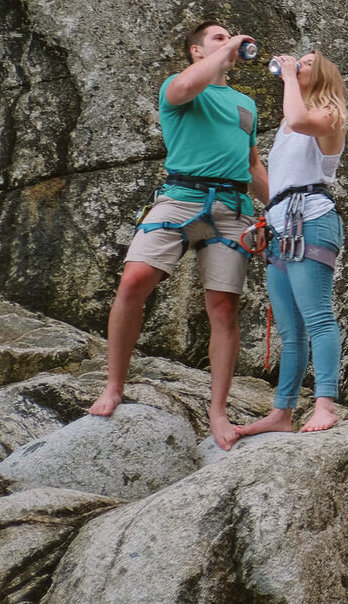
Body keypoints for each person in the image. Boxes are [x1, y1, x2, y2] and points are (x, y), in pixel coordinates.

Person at [88, 23, 268, 451]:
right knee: (132, 282)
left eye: (231, 38)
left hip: (232, 206)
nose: (229, 43)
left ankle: (217, 410)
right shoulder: (180, 84)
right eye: (218, 38)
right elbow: (187, 86)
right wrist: (224, 55)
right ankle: (114, 385)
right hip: (180, 196)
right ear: (195, 50)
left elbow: (253, 164)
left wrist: (280, 207)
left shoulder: (246, 103)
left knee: (223, 307)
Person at [236, 51, 348, 436]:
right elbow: (275, 183)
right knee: (290, 330)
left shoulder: (329, 113)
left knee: (317, 316)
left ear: (321, 75)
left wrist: (287, 76)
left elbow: (302, 118)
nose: (296, 63)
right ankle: (281, 412)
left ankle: (325, 404)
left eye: (305, 61)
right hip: (283, 223)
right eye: (295, 60)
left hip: (312, 220)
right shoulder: (288, 123)